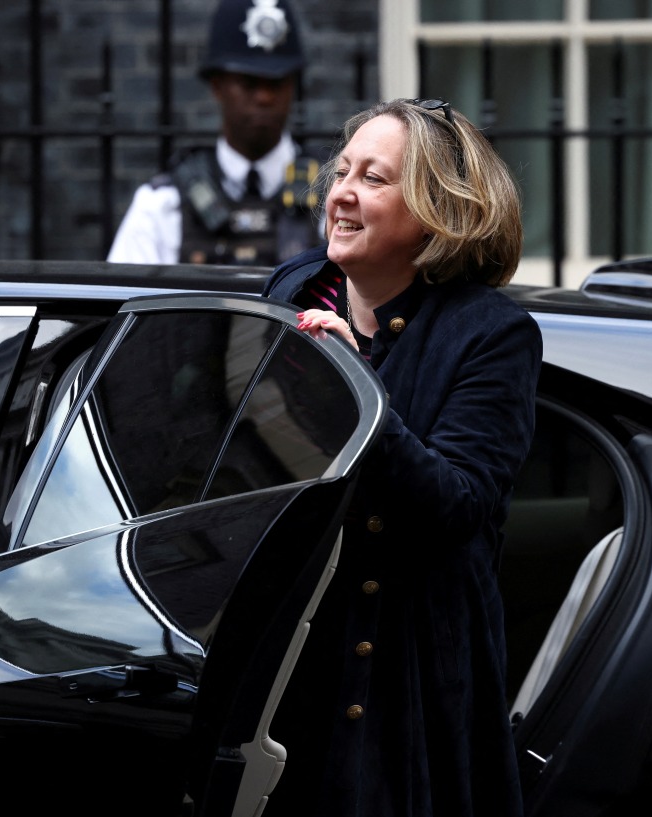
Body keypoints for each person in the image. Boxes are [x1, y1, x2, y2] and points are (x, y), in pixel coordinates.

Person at [261, 98, 542, 816]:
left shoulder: (493, 333)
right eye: (341, 171)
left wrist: (355, 389)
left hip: (412, 685)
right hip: (294, 677)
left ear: (435, 211)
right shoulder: (292, 290)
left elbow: (456, 504)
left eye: (374, 178)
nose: (342, 194)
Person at [106, 0, 322, 267]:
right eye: (249, 82)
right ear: (217, 86)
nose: (265, 97)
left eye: (277, 83)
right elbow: (124, 303)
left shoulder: (331, 199)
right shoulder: (162, 206)